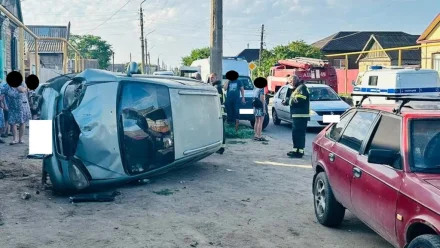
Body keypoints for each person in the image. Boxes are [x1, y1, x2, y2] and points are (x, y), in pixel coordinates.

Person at [282, 75, 310, 158]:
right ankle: (296, 150)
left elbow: (299, 100)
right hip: (297, 115)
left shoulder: (301, 88)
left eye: (290, 82)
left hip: (300, 115)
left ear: (294, 80)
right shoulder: (297, 88)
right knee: (296, 134)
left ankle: (299, 152)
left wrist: (288, 101)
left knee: (298, 134)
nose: (289, 83)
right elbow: (294, 98)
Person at [209, 73, 226, 154]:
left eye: (212, 77)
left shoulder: (217, 87)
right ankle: (220, 147)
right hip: (219, 111)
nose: (211, 79)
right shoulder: (216, 86)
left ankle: (221, 148)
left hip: (220, 112)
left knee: (221, 130)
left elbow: (218, 99)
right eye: (210, 77)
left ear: (216, 77)